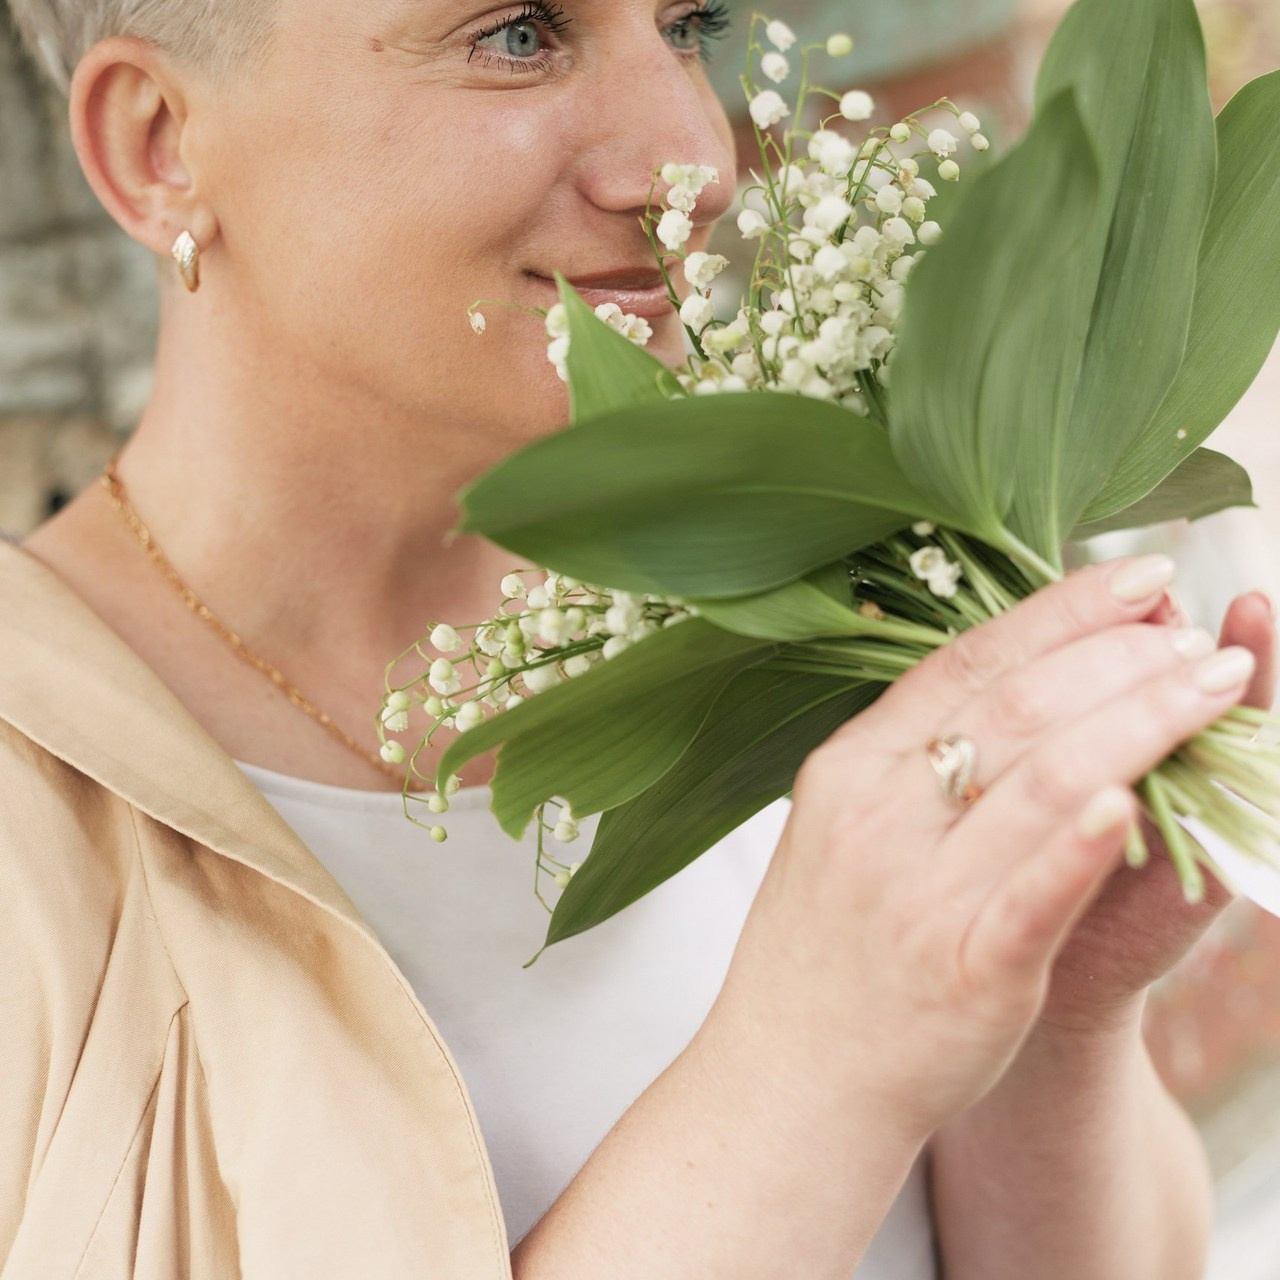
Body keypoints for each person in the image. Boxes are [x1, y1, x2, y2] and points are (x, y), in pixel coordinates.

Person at [0, 1, 1275, 1276]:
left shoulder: (830, 603)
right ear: (155, 143)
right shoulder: (34, 839)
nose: (693, 162)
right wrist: (815, 1058)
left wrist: (1051, 1010)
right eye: (516, 35)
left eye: (688, 25)